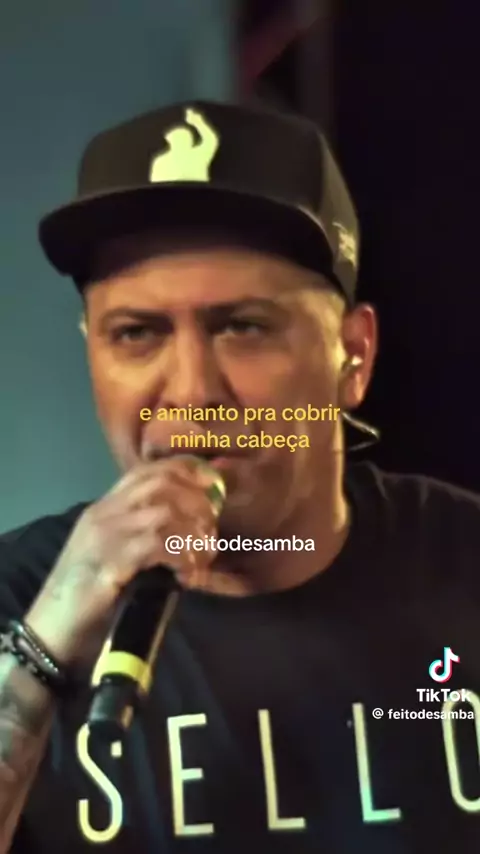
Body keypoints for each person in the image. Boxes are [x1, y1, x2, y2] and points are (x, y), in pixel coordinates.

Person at [0, 99, 479, 854]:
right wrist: (44, 646)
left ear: (353, 357)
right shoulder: (20, 597)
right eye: (137, 333)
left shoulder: (462, 563)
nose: (194, 392)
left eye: (243, 327)